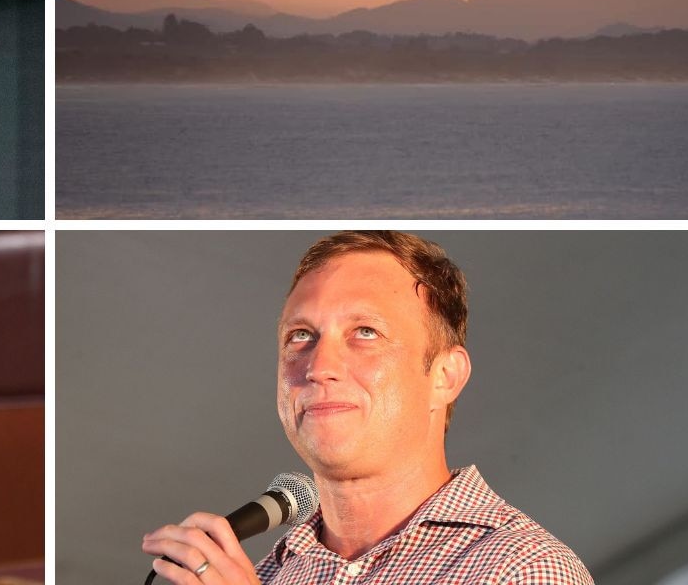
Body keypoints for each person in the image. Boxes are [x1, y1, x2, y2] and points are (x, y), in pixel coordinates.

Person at [141, 231, 593, 584]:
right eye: (300, 336)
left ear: (445, 376)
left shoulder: (523, 568)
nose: (319, 366)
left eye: (365, 333)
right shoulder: (267, 575)